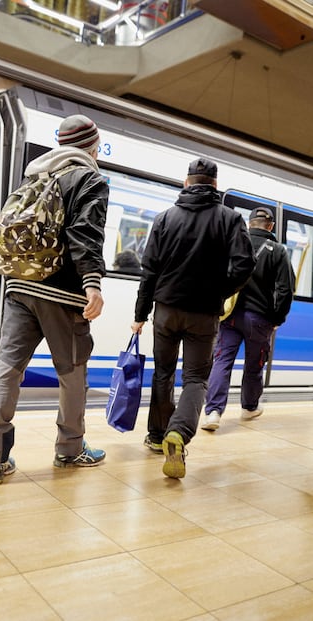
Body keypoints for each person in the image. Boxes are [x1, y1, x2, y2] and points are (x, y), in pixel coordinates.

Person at [0, 114, 110, 484]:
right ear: (92, 146)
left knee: (7, 369)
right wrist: (92, 283)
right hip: (61, 293)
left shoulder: (35, 174)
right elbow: (85, 232)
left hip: (18, 286)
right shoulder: (89, 178)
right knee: (72, 373)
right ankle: (69, 450)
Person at [131, 157, 255, 479]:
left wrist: (140, 314)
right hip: (203, 313)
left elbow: (149, 271)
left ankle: (158, 436)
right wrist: (218, 291)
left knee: (163, 372)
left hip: (166, 310)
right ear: (215, 186)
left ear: (186, 183)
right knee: (196, 378)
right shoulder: (231, 219)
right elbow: (244, 266)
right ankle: (179, 433)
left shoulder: (164, 219)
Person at [202, 206, 295, 431]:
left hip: (229, 316)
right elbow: (285, 290)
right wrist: (277, 319)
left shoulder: (232, 244)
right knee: (255, 365)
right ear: (270, 226)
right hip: (259, 319)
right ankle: (249, 407)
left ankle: (213, 412)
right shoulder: (279, 251)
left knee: (222, 361)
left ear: (248, 223)